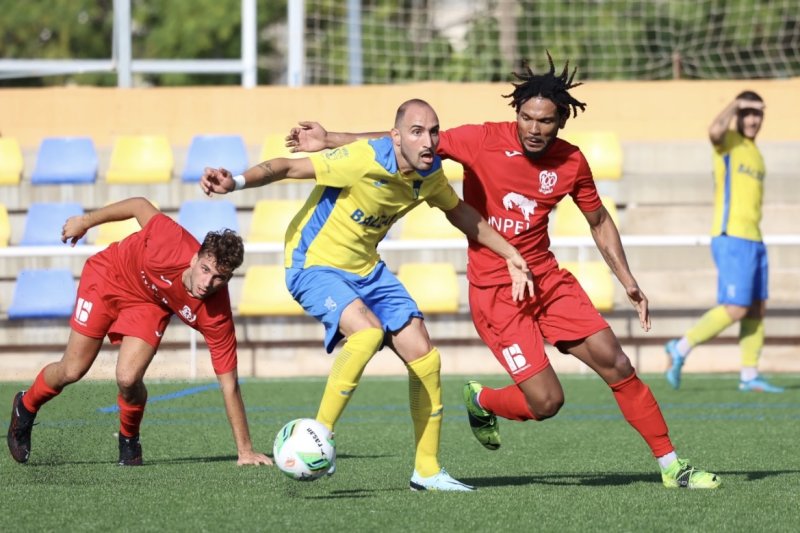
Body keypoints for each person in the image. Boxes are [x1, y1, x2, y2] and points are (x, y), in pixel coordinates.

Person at [286, 53, 721, 489]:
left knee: (618, 363)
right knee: (547, 402)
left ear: (561, 121)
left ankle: (672, 466)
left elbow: (599, 220)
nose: (534, 128)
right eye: (526, 118)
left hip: (546, 280)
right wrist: (330, 139)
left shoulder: (572, 162)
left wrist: (629, 281)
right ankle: (484, 400)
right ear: (516, 113)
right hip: (496, 294)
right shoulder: (481, 140)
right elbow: (405, 142)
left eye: (545, 121)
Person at [201, 98, 534, 491]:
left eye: (433, 131)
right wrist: (236, 182)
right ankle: (317, 435)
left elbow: (459, 211)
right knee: (368, 332)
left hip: (366, 268)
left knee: (425, 356)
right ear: (396, 137)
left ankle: (427, 471)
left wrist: (511, 254)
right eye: (416, 131)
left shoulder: (430, 174)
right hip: (313, 263)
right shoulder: (363, 159)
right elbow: (288, 167)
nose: (428, 141)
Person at [6, 197, 272, 467]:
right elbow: (138, 205)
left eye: (219, 278)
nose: (207, 283)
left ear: (228, 279)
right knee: (72, 370)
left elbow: (229, 384)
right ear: (194, 259)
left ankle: (129, 439)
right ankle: (25, 406)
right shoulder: (170, 240)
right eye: (205, 269)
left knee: (128, 378)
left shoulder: (217, 315)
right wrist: (85, 222)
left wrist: (245, 451)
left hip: (149, 304)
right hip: (108, 277)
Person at [665, 92, 782, 393]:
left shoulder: (756, 153)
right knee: (736, 307)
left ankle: (749, 376)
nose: (753, 120)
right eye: (747, 113)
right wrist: (735, 104)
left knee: (756, 308)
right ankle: (681, 347)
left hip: (755, 239)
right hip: (732, 236)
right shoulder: (727, 141)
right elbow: (714, 130)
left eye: (757, 114)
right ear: (738, 116)